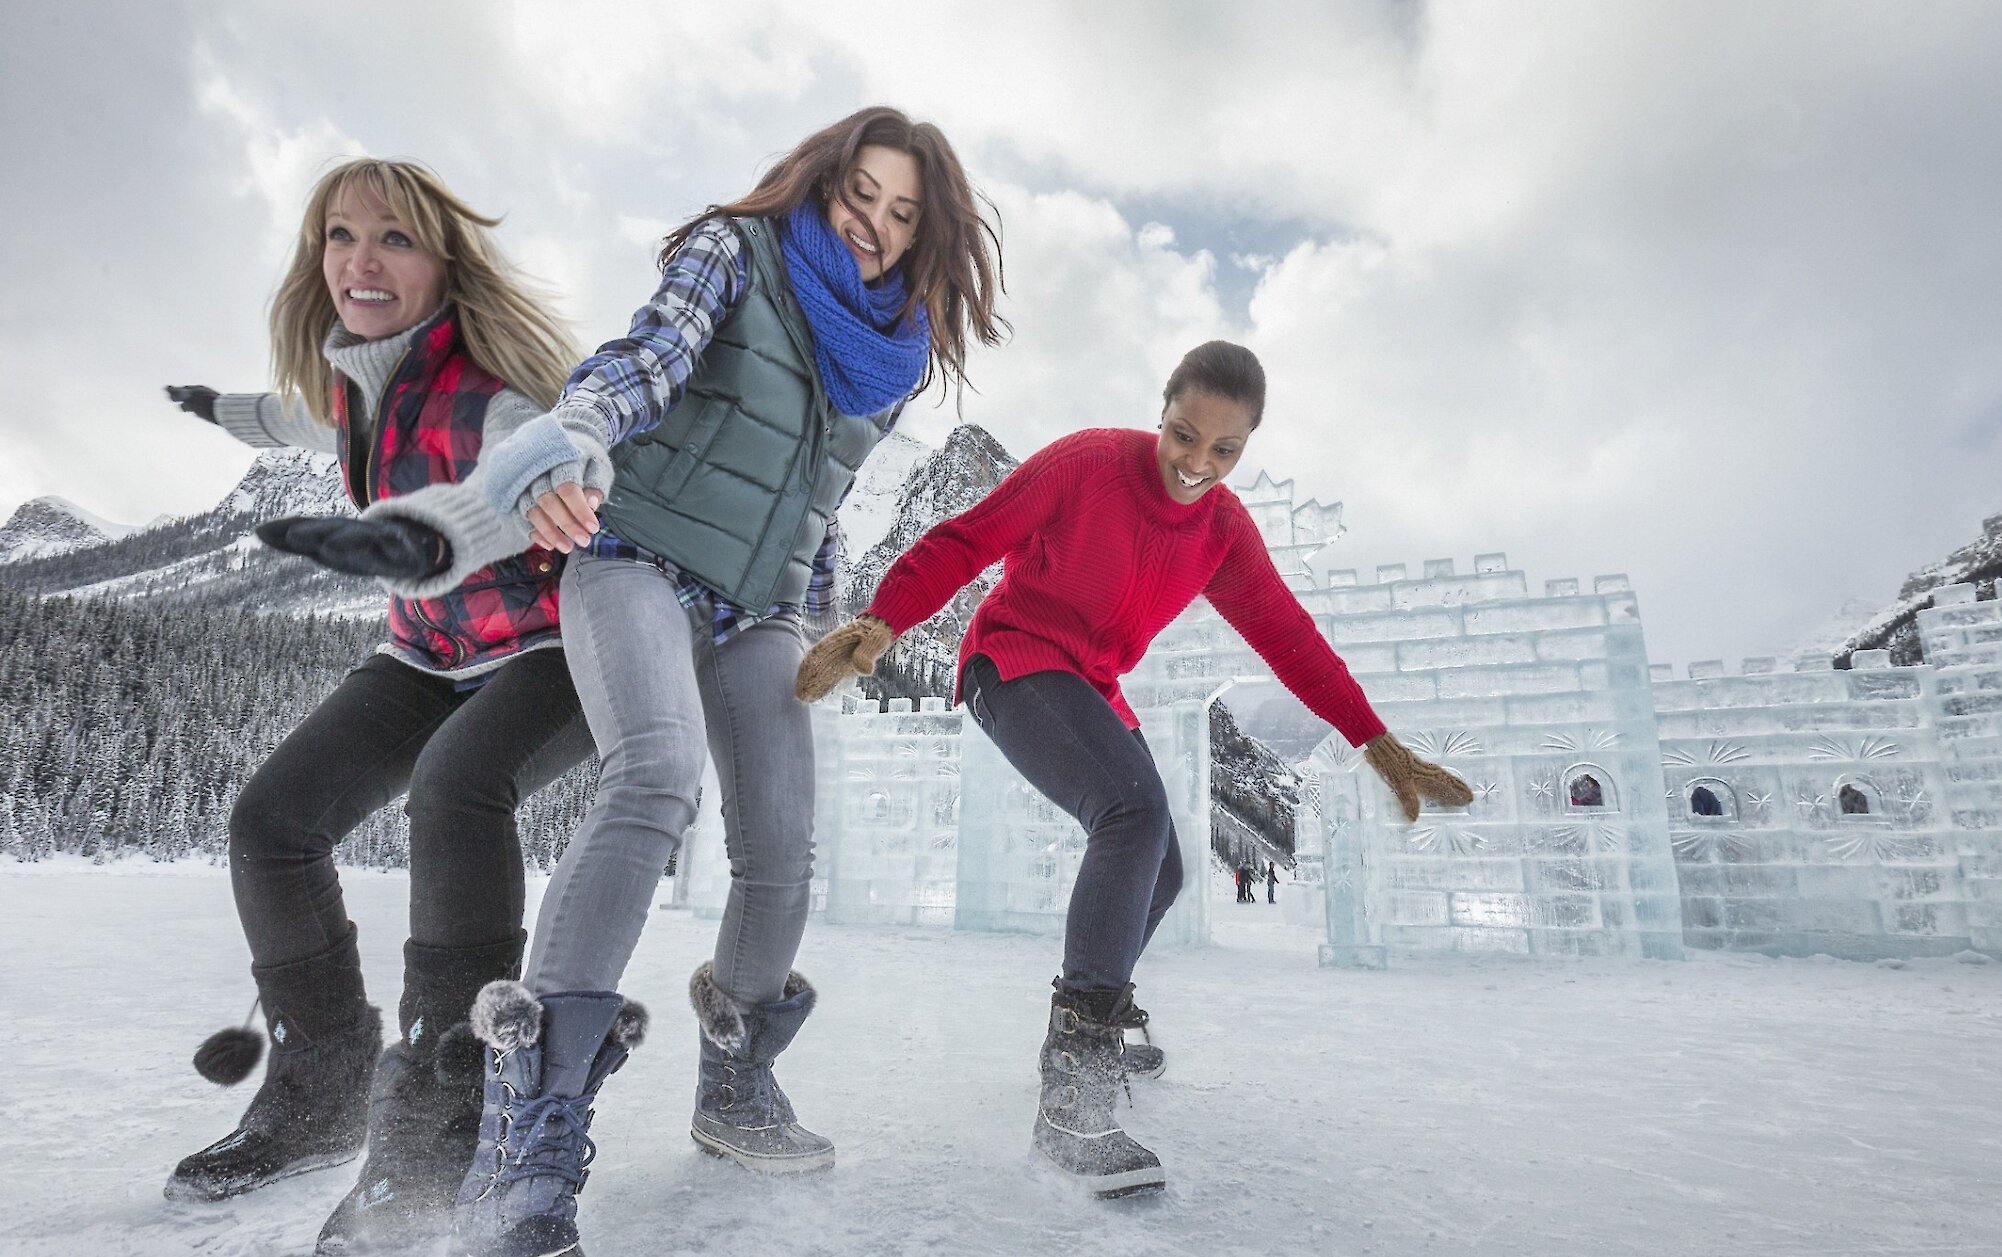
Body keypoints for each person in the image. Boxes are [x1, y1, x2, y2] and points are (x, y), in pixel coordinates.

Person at [272, 107, 1005, 1257]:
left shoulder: (892, 356)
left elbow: (813, 492)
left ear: (928, 237)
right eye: (862, 194)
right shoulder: (736, 250)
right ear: (821, 182)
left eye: (904, 214)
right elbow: (640, 365)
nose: (875, 225)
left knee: (781, 842)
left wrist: (824, 614)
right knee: (655, 773)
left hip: (759, 606)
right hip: (633, 559)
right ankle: (523, 1136)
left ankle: (735, 1076)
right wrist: (569, 442)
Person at [795, 340, 1473, 1197]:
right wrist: (882, 623)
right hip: (1013, 659)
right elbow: (967, 539)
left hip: (1091, 685)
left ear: (1245, 449)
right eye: (1185, 435)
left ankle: (1096, 1012)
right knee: (1132, 812)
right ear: (1163, 411)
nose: (1197, 464)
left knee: (1168, 866)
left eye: (1224, 450)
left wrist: (1377, 741)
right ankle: (1074, 1078)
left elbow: (1293, 642)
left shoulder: (1223, 533)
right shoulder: (1088, 465)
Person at [160, 158, 594, 1257]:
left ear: (444, 263)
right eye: (340, 236)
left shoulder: (499, 391)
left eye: (393, 239)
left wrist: (435, 534)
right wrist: (222, 410)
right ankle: (320, 1089)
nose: (361, 259)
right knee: (272, 823)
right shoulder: (358, 385)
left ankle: (446, 1127)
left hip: (556, 648)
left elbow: (512, 483)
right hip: (430, 652)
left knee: (458, 787)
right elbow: (305, 419)